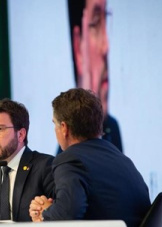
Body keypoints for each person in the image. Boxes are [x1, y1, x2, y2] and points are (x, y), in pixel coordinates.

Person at [29, 88, 150, 227]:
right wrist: (52, 208)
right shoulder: (120, 158)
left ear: (64, 128)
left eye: (54, 124)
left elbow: (67, 215)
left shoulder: (69, 158)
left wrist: (43, 213)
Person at [67, 0, 123, 152]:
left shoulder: (112, 128)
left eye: (106, 18)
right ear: (78, 47)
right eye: (96, 22)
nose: (106, 47)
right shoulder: (66, 139)